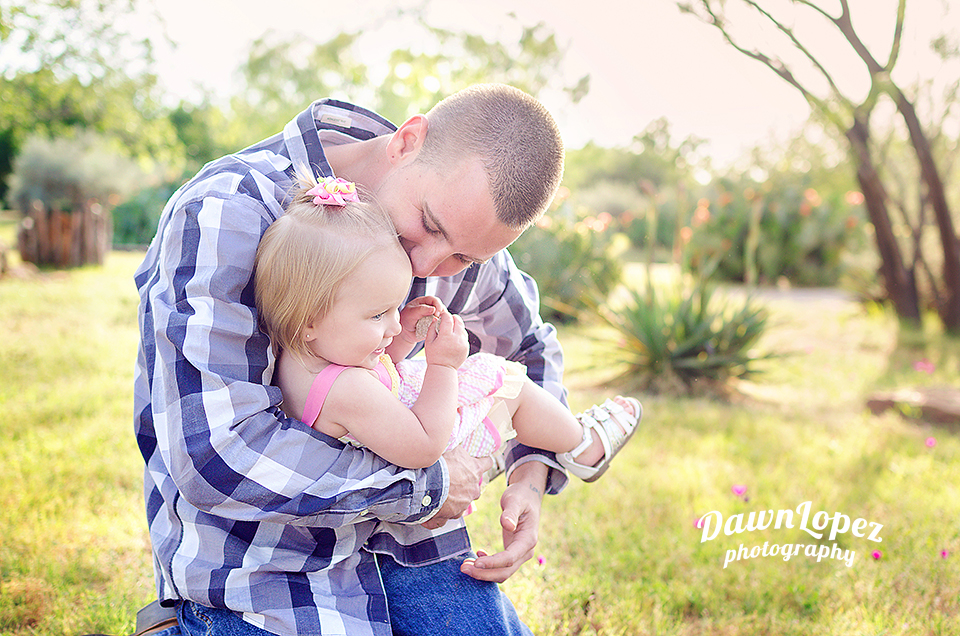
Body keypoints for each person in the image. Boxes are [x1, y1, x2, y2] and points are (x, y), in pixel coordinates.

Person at [133, 84, 636, 636]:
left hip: (418, 554)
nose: (427, 265)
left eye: (463, 257)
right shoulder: (229, 209)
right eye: (430, 227)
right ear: (407, 141)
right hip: (264, 576)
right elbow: (216, 453)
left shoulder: (460, 221)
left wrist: (530, 476)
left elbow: (530, 349)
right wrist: (424, 486)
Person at [253, 172, 641, 485]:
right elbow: (424, 445)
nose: (392, 324)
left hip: (400, 436)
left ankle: (538, 445)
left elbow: (376, 377)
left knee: (498, 388)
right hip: (429, 445)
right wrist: (443, 367)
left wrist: (403, 338)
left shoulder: (303, 358)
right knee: (508, 383)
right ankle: (583, 444)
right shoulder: (347, 389)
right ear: (309, 321)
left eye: (394, 308)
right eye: (377, 315)